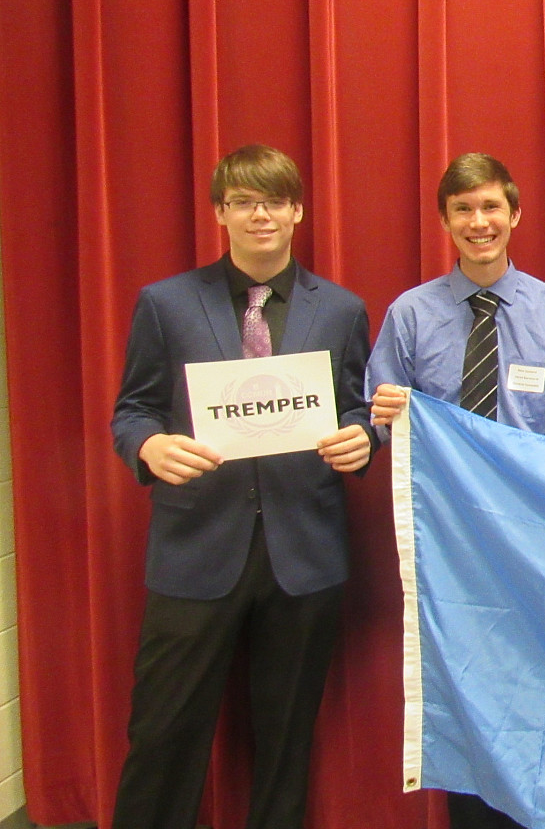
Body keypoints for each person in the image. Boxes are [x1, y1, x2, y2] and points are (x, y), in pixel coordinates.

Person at [110, 144, 375, 829]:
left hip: (304, 554)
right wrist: (147, 446)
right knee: (163, 732)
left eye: (274, 201)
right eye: (243, 202)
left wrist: (363, 439)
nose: (261, 215)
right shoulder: (166, 304)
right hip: (196, 548)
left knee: (286, 743)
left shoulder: (342, 309)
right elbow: (133, 409)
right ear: (220, 212)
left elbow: (355, 408)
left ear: (298, 211)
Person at [364, 151, 545, 829]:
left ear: (515, 214)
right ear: (445, 220)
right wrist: (381, 416)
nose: (478, 221)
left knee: (537, 685)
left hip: (531, 539)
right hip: (448, 542)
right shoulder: (410, 315)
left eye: (491, 207)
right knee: (463, 691)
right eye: (463, 209)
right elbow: (379, 423)